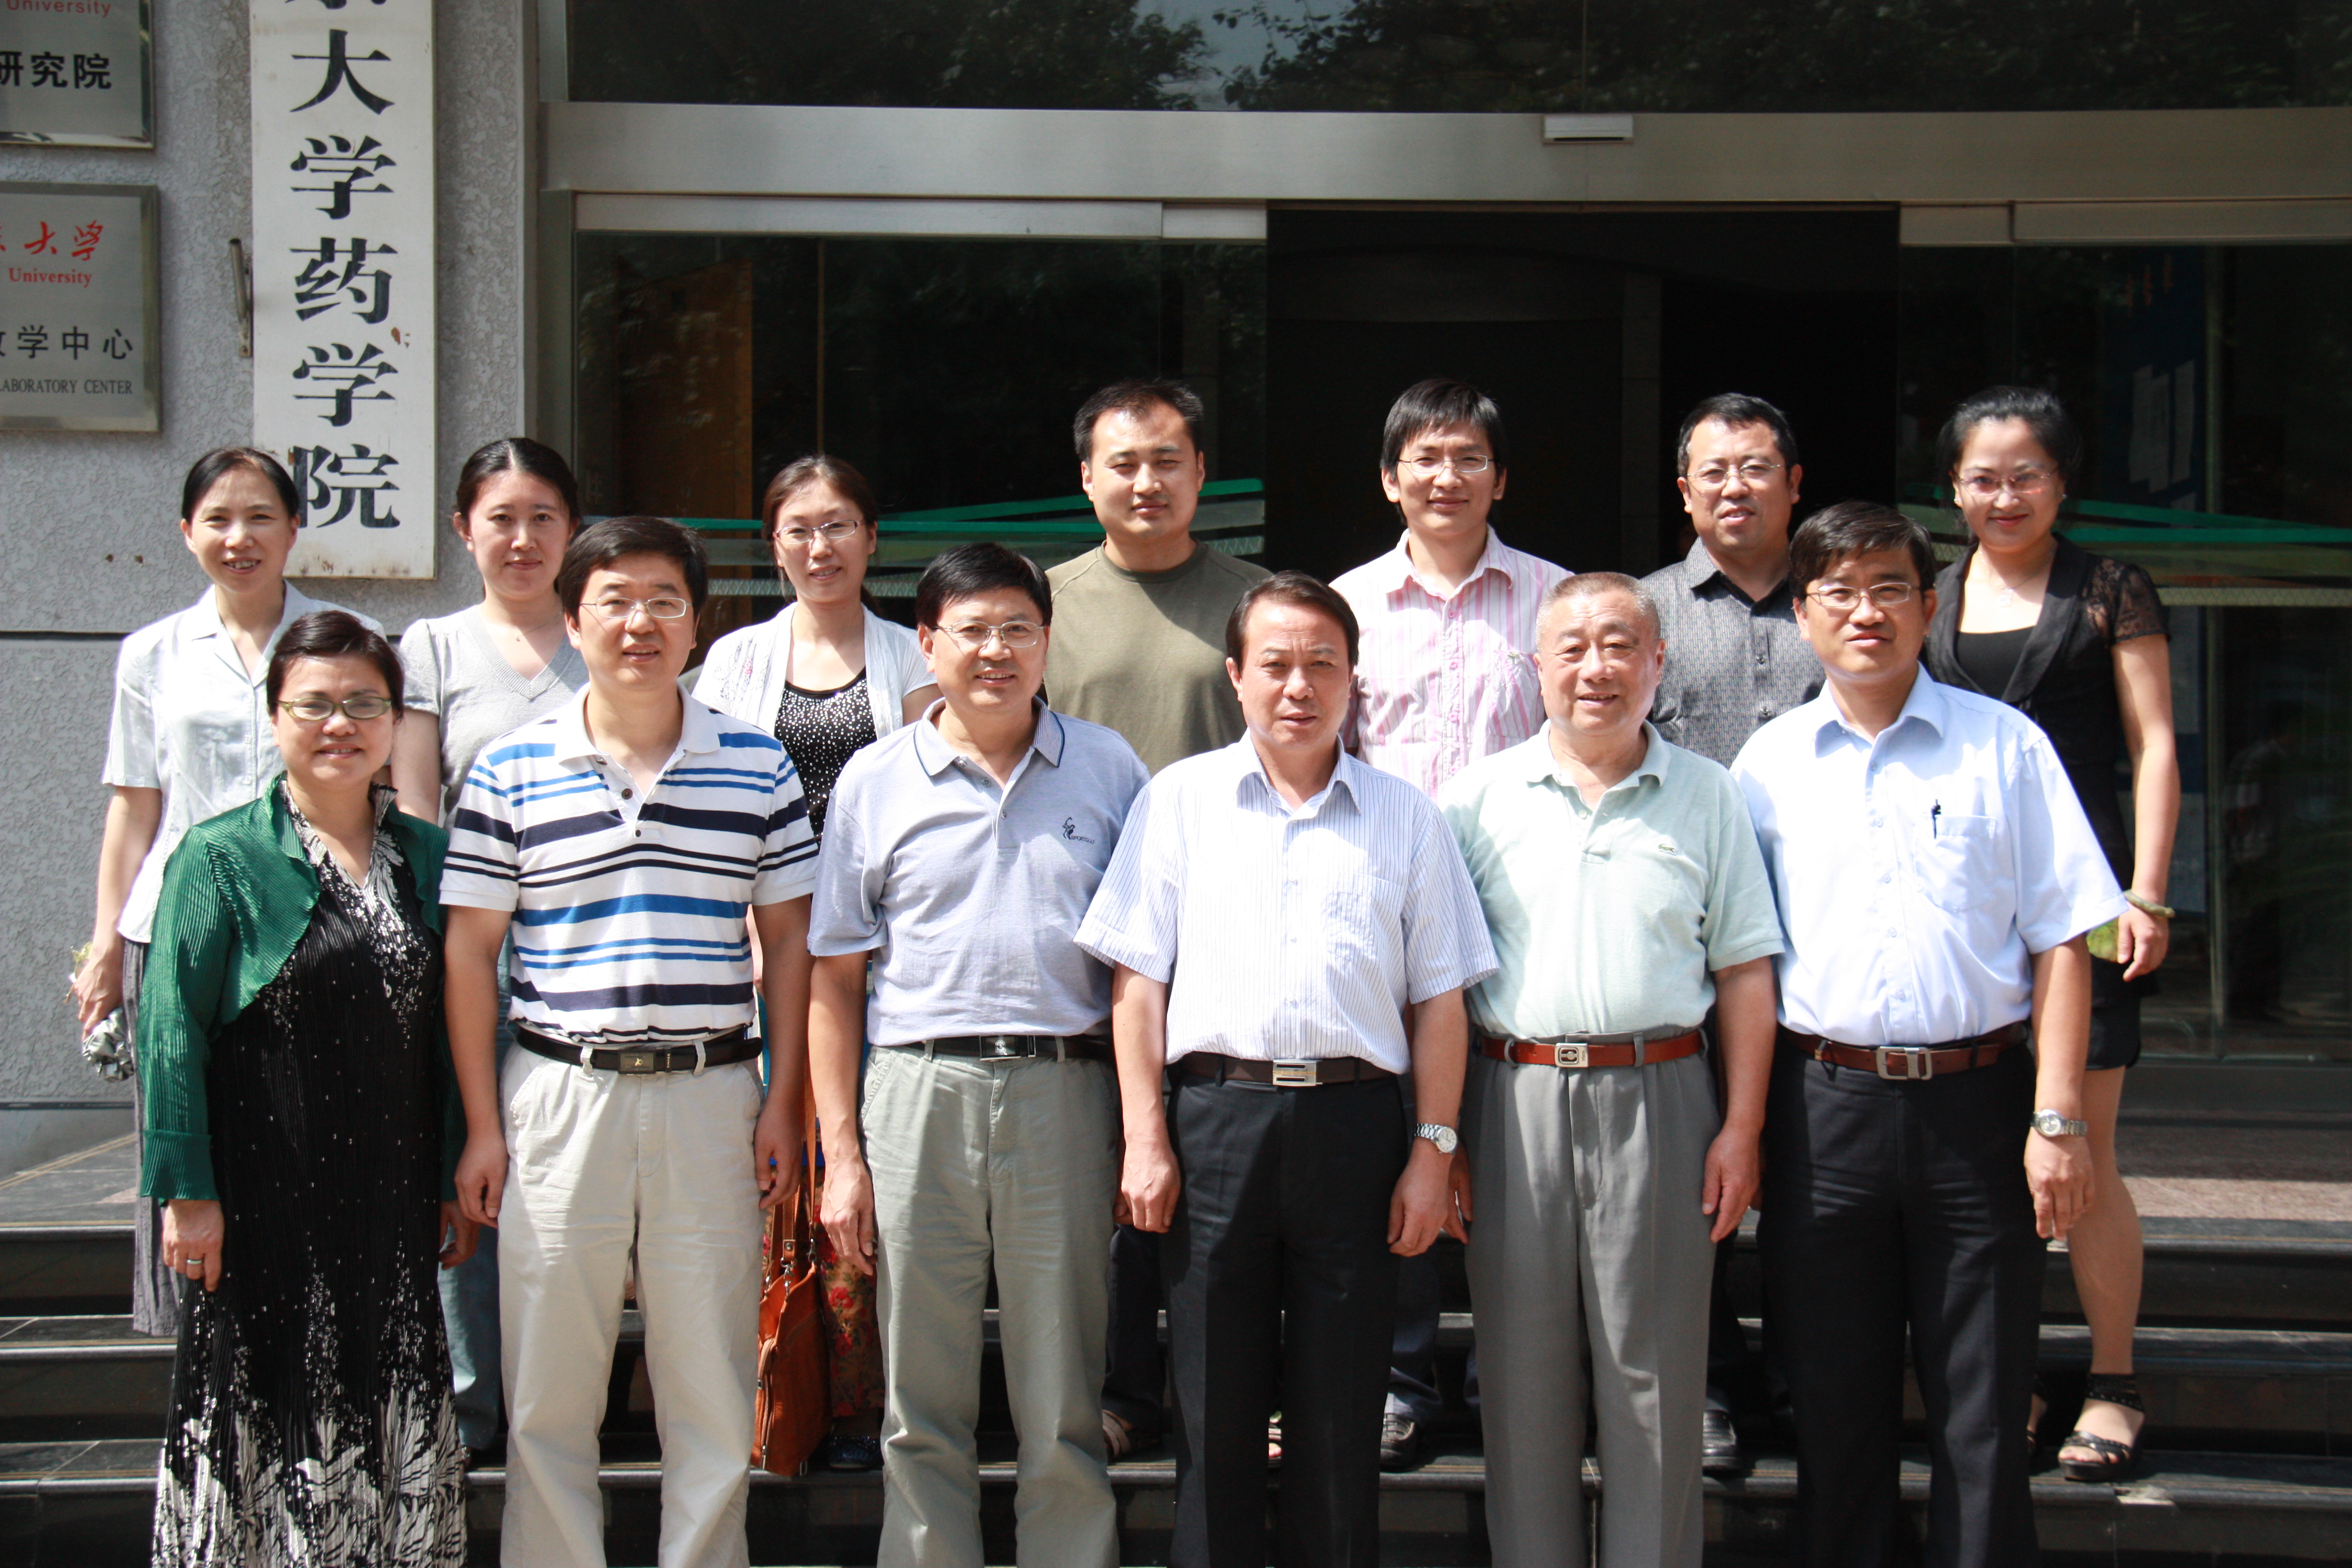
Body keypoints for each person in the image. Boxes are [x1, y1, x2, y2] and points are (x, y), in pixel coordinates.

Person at [1730, 502, 2124, 1568]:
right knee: (1834, 1403)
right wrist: (1746, 1124)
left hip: (1979, 1108)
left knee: (1984, 1406)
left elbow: (2063, 941)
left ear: (1930, 604)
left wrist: (2059, 1119)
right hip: (1824, 1110)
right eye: (1840, 592)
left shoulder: (2006, 746)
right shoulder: (1766, 765)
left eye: (1890, 589)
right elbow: (1744, 967)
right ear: (1803, 612)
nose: (1866, 612)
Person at [1077, 571, 1498, 1568]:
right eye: (1275, 665)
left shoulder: (1407, 816)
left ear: (1354, 678)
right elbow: (1137, 986)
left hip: (1358, 1127)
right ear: (1235, 676)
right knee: (1212, 1404)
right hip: (1215, 1120)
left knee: (1342, 1411)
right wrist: (1145, 1136)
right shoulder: (1179, 802)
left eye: (1322, 664)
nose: (1299, 686)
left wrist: (1433, 1151)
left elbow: (1441, 1002)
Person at [441, 516, 818, 1568]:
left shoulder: (758, 765)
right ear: (573, 621)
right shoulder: (511, 768)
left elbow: (790, 941)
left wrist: (784, 1099)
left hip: (712, 1092)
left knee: (710, 1384)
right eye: (614, 601)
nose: (639, 622)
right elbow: (469, 953)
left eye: (664, 601)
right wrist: (482, 1125)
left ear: (698, 624)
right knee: (550, 1389)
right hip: (560, 1095)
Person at [808, 543, 1148, 1567]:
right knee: (922, 1384)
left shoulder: (1110, 767)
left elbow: (1141, 968)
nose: (996, 651)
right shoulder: (874, 780)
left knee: (1063, 1382)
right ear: (926, 644)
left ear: (1047, 641)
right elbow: (835, 978)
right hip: (918, 1088)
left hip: (1065, 1088)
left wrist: (1143, 1127)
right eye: (972, 630)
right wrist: (841, 1154)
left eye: (1018, 629)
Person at [1438, 572, 1782, 1567]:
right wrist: (1442, 1135)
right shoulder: (1474, 800)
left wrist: (1742, 1127)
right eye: (1574, 648)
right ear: (1536, 666)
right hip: (1510, 1100)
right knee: (1521, 1380)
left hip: (1664, 1096)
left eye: (1621, 645)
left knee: (1657, 1382)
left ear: (1657, 663)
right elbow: (1439, 990)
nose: (1597, 668)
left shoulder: (1709, 794)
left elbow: (1745, 971)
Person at [139, 609, 473, 1566]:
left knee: (385, 1390)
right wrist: (187, 1194)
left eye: (364, 704)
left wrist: (449, 1176)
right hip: (262, 1202)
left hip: (388, 1200)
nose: (340, 725)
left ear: (395, 721)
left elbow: (447, 1038)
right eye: (314, 705)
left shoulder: (428, 855)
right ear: (275, 717)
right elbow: (171, 1032)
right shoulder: (221, 857)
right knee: (262, 1403)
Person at [1923, 386, 2178, 1482]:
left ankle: (2115, 1380)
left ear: (2062, 482)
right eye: (1983, 477)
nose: (2005, 495)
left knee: (2086, 1147)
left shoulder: (2108, 588)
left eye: (2026, 474)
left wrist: (2147, 891)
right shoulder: (1933, 594)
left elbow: (2154, 742)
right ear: (1954, 489)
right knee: (1992, 1160)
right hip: (1974, 908)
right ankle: (2016, 1375)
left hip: (2089, 900)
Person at [74, 447, 377, 1339]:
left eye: (260, 518)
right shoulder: (153, 652)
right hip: (178, 924)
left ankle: (308, 1334)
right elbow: (136, 805)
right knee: (187, 1126)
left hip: (313, 920)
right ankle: (192, 1340)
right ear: (186, 532)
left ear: (295, 528)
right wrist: (104, 942)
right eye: (218, 519)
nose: (239, 537)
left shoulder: (347, 638)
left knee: (309, 1128)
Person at [1331, 375, 1566, 1471]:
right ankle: (1401, 1374)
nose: (1447, 476)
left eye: (1469, 456)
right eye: (1425, 457)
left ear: (1501, 477)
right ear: (1390, 479)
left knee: (1511, 1134)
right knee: (1402, 1134)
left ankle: (1514, 1368)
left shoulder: (1555, 601)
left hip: (1531, 903)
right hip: (1385, 909)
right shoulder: (1347, 608)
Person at [696, 454, 938, 1473]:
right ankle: (773, 1385)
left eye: (838, 525)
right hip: (766, 947)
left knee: (861, 1160)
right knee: (776, 1160)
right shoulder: (734, 661)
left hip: (882, 957)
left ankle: (862, 1401)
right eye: (798, 529)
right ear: (774, 545)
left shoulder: (913, 656)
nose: (819, 546)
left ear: (872, 538)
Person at [1046, 379, 1270, 1462]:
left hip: (1233, 923)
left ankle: (1244, 1394)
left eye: (1168, 460)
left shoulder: (1255, 599)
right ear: (1087, 476)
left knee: (1228, 1172)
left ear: (1202, 473)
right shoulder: (1044, 603)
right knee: (1118, 1165)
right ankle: (1126, 1386)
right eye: (1123, 463)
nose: (1147, 481)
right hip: (1089, 926)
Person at [390, 436, 591, 1463]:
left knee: (581, 1184)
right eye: (500, 519)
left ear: (572, 530)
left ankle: (576, 1396)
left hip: (593, 958)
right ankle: (475, 1408)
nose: (522, 539)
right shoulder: (431, 648)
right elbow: (418, 811)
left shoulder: (604, 633)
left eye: (543, 517)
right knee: (474, 1167)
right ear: (463, 530)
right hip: (475, 950)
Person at [1639, 391, 1822, 1471]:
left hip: (1826, 952)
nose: (1735, 487)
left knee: (1808, 1185)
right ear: (1684, 491)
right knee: (1685, 1185)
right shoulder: (1645, 611)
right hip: (1679, 953)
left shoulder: (1840, 599)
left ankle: (1804, 1380)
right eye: (1713, 470)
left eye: (1756, 467)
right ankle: (1703, 1381)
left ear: (1795, 484)